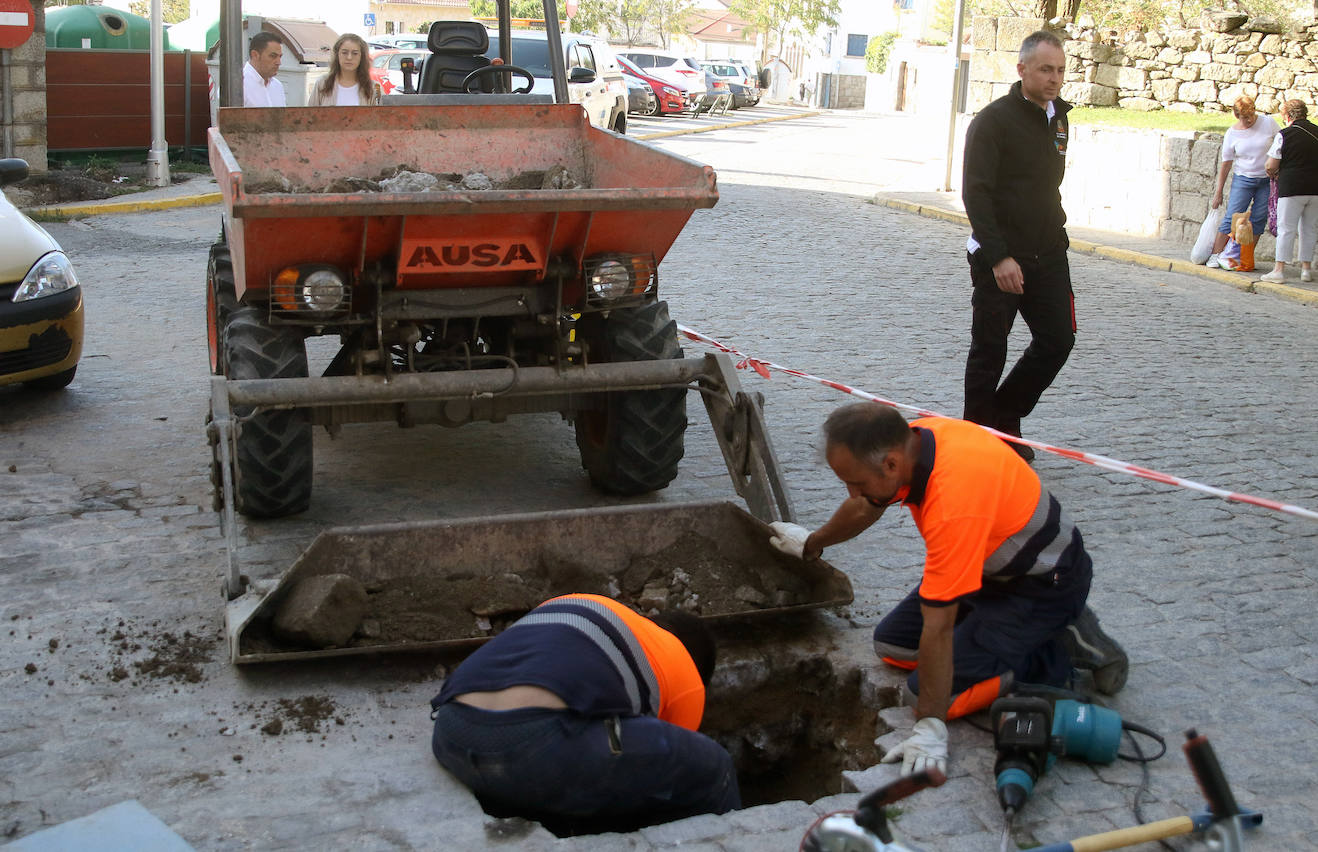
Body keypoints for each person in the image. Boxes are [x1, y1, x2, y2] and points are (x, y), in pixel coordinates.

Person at [768, 403, 1128, 775]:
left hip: (1042, 585)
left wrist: (930, 726)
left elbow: (938, 627)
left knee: (923, 693)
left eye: (856, 482)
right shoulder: (914, 440)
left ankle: (1058, 643)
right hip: (986, 569)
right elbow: (865, 506)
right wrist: (812, 543)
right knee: (891, 646)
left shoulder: (954, 502)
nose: (851, 491)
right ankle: (1001, 638)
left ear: (891, 465)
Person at [430, 593, 740, 834]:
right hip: (536, 747)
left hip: (452, 731)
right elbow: (664, 775)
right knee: (715, 768)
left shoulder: (588, 607)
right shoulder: (688, 678)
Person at [961, 30, 1075, 463]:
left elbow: (1048, 186)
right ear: (1022, 69)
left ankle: (1004, 417)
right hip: (1000, 258)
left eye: (1061, 70)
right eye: (1046, 69)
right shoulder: (993, 122)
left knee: (1058, 341)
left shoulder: (1060, 118)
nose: (1055, 78)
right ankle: (974, 441)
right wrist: (1000, 256)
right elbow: (977, 193)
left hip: (1049, 254)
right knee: (990, 349)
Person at [1206, 95, 1279, 270]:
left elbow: (1280, 144)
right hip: (1243, 178)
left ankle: (1245, 256)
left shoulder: (1268, 123)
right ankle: (1216, 254)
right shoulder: (1232, 133)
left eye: (1250, 116)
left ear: (1254, 112)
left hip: (1266, 179)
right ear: (1236, 116)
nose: (1248, 121)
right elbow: (1226, 164)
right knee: (1233, 215)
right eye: (1243, 118)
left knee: (1259, 218)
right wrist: (1219, 191)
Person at [1262, 99, 1318, 283]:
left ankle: (1279, 270)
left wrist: (1273, 173)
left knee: (1286, 228)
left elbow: (1271, 164)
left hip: (1291, 187)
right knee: (1309, 229)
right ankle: (1306, 269)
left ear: (1286, 115)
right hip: (1315, 188)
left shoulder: (1284, 135)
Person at [307, 33, 380, 107]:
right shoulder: (322, 83)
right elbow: (310, 116)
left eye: (355, 53)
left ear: (362, 57)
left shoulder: (373, 87)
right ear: (337, 54)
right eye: (344, 52)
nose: (349, 57)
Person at [243, 32, 286, 108]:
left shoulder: (277, 86)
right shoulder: (239, 85)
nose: (279, 62)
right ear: (255, 55)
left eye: (280, 57)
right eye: (273, 56)